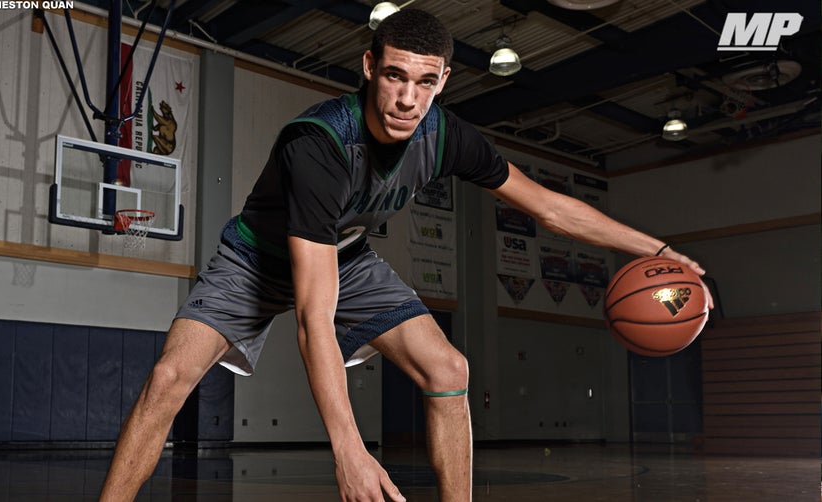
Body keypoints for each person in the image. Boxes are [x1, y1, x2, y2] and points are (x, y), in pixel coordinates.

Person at [100, 8, 710, 502]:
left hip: (347, 256)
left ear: (443, 80)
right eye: (395, 76)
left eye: (425, 81)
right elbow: (315, 320)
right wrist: (350, 450)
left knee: (449, 371)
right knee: (168, 379)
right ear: (369, 67)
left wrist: (656, 248)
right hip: (255, 260)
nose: (407, 99)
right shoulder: (319, 146)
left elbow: (551, 207)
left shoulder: (446, 136)